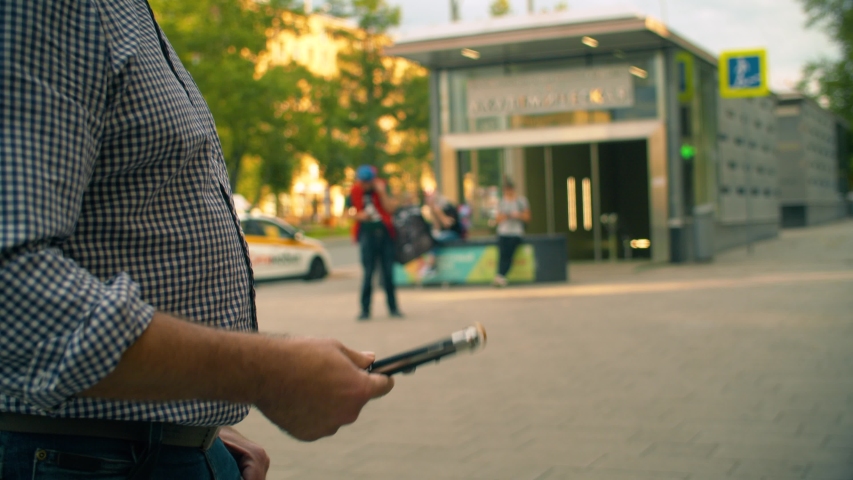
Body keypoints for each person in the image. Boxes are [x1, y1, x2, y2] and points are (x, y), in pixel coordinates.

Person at [0, 2, 393, 479]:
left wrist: (190, 421)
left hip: (157, 445)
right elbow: (14, 293)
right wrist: (266, 374)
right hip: (87, 458)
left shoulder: (125, 15)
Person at [348, 165, 403, 320]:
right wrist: (360, 216)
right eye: (362, 182)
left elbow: (391, 208)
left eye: (368, 182)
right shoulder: (354, 191)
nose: (365, 185)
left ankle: (393, 308)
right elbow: (347, 212)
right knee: (368, 273)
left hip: (385, 235)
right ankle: (365, 310)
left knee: (388, 274)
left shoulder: (382, 188)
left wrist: (382, 192)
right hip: (367, 235)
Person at [494, 179, 531, 287]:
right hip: (503, 232)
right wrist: (506, 215)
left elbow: (528, 217)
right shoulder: (501, 202)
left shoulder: (521, 201)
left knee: (509, 254)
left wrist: (518, 215)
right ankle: (500, 276)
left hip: (516, 232)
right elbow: (497, 219)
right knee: (502, 254)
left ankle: (500, 276)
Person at [420, 193, 464, 279]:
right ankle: (431, 266)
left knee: (436, 239)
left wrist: (438, 212)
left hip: (454, 234)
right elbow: (437, 227)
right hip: (443, 234)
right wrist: (433, 212)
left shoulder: (449, 208)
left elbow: (447, 224)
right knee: (432, 238)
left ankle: (431, 265)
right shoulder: (435, 210)